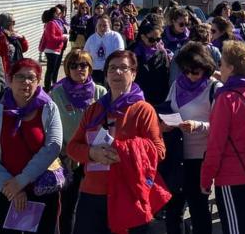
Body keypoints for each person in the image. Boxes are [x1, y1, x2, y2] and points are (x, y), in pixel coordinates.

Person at [67, 50, 169, 234]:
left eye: (124, 68)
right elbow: (73, 148)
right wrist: (92, 153)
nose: (117, 73)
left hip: (128, 193)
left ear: (134, 73)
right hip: (92, 193)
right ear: (105, 74)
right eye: (112, 68)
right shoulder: (94, 110)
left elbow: (159, 151)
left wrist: (122, 150)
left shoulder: (143, 110)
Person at [0, 58, 63, 234]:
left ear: (38, 82)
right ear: (9, 80)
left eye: (32, 78)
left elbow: (53, 145)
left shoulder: (49, 109)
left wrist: (20, 181)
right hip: (4, 192)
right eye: (20, 77)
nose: (26, 82)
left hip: (42, 191)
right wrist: (12, 189)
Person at [200, 40, 245, 234]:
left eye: (222, 64)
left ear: (232, 68)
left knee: (234, 230)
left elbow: (215, 144)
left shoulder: (226, 98)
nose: (219, 68)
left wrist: (205, 178)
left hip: (231, 175)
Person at [163, 43, 221, 234]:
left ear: (205, 67)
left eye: (195, 71)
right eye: (185, 70)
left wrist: (198, 126)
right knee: (173, 212)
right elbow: (168, 108)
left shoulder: (214, 88)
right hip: (176, 157)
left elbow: (221, 128)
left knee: (198, 210)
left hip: (199, 159)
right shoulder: (176, 84)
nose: (189, 75)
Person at [50, 50, 107, 234]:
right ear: (67, 69)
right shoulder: (57, 94)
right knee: (68, 206)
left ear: (90, 68)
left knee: (95, 203)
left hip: (96, 157)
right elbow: (50, 126)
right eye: (73, 65)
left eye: (83, 65)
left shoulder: (101, 92)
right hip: (68, 158)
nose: (79, 69)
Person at [130, 19, 171, 105]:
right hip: (136, 96)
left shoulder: (162, 53)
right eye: (152, 39)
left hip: (157, 98)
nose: (155, 43)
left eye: (158, 39)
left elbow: (165, 76)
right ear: (142, 36)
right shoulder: (132, 52)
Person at [83, 15, 125, 85]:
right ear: (96, 26)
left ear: (110, 25)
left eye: (105, 25)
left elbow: (119, 54)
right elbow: (85, 55)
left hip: (110, 70)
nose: (102, 28)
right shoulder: (91, 38)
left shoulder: (115, 36)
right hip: (94, 71)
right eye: (99, 25)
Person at [40, 6, 70, 92]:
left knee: (54, 69)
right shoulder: (51, 23)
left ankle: (53, 85)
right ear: (54, 14)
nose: (60, 14)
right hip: (51, 50)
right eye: (59, 13)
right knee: (50, 70)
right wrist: (63, 38)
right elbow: (51, 38)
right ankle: (47, 88)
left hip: (57, 49)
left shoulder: (57, 22)